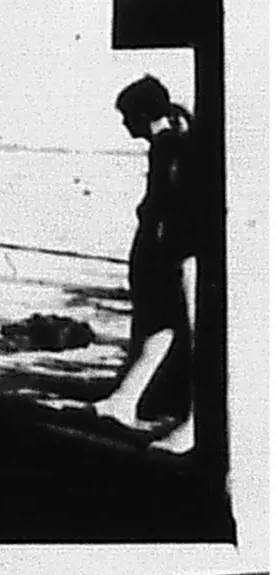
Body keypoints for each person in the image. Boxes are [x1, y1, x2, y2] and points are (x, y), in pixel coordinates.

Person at [92, 75, 198, 454]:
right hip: (170, 254)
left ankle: (195, 424)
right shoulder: (165, 145)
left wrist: (169, 253)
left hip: (181, 255)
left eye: (127, 115)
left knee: (195, 337)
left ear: (141, 113)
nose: (124, 124)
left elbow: (174, 207)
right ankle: (124, 399)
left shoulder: (171, 147)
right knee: (162, 331)